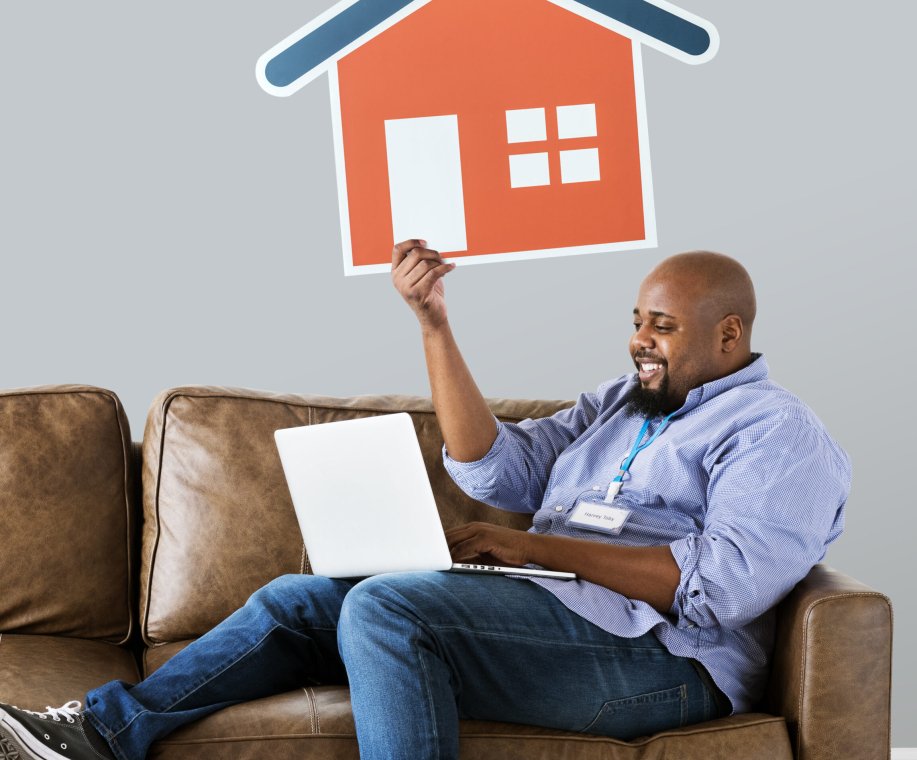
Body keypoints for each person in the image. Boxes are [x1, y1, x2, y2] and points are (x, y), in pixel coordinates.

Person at [0, 241, 849, 760]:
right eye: (636, 319)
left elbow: (721, 587)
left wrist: (533, 548)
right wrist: (433, 324)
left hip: (661, 668)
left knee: (386, 610)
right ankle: (102, 736)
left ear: (728, 332)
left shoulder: (779, 435)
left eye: (660, 325)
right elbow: (498, 471)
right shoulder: (619, 403)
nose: (638, 340)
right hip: (546, 622)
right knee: (302, 603)